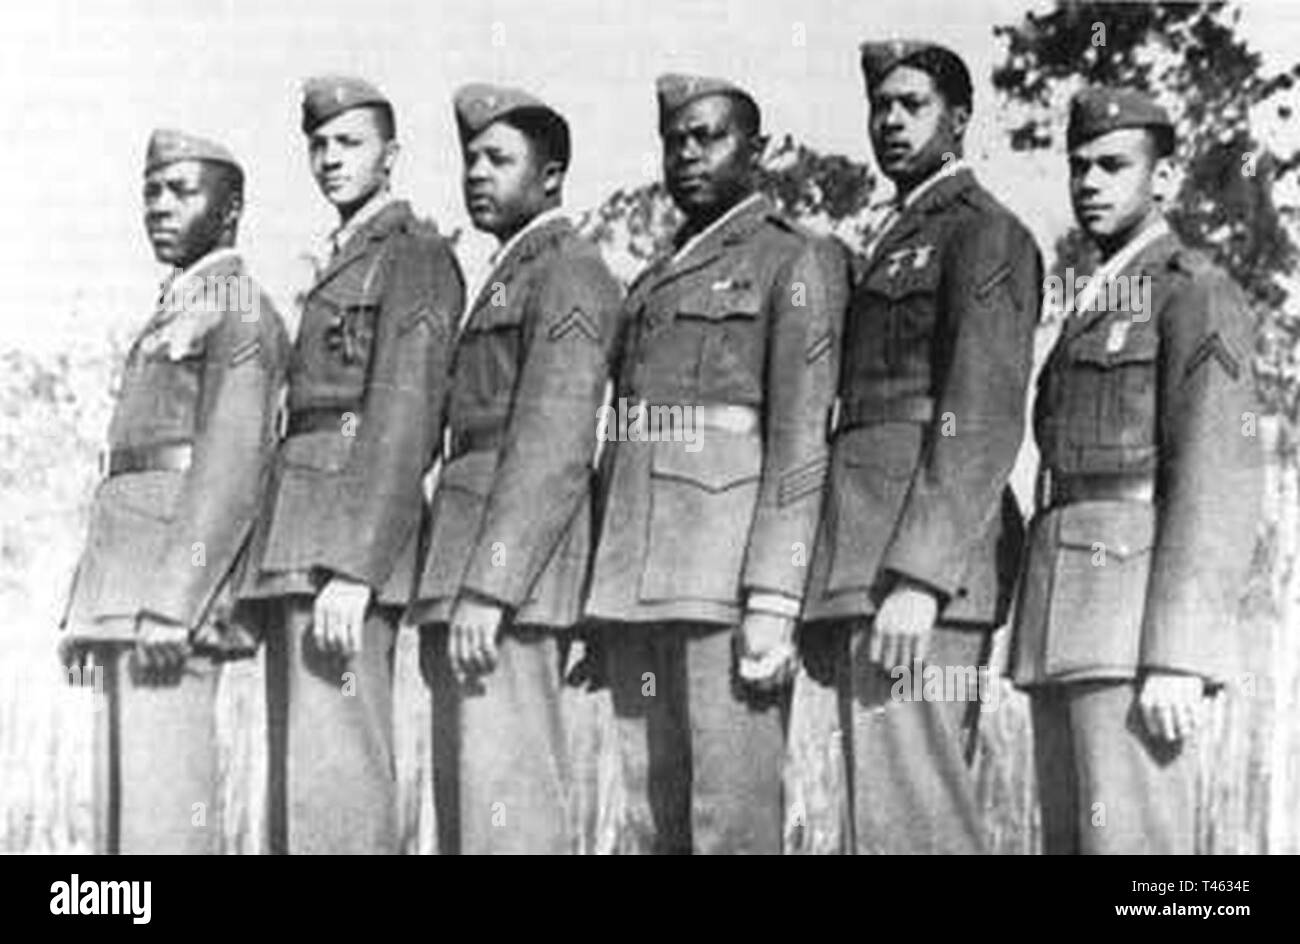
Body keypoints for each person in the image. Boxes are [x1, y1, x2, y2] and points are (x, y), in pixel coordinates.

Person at [584, 73, 850, 854]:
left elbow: (803, 437)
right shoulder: (651, 282)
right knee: (649, 813)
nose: (689, 154)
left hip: (725, 581)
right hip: (637, 583)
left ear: (755, 150)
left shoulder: (792, 260)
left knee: (729, 819)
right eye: (676, 140)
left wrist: (774, 595)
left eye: (710, 136)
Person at [797, 40, 1042, 854]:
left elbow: (980, 412)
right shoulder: (894, 237)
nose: (892, 121)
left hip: (918, 576)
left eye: (914, 105)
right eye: (882, 107)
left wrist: (920, 578)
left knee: (921, 822)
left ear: (960, 121)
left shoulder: (983, 234)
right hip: (864, 565)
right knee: (883, 823)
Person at [1009, 85, 1262, 854]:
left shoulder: (1194, 292)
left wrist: (1179, 655)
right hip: (1062, 617)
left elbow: (1217, 474)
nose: (1089, 182)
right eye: (1079, 165)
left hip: (1131, 627)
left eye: (1113, 165)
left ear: (1163, 178)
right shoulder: (1098, 295)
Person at [239, 75, 462, 854]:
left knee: (340, 782)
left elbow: (406, 418)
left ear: (391, 156)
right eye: (319, 145)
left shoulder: (416, 257)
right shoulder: (335, 260)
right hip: (295, 539)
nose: (330, 159)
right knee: (298, 784)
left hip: (343, 548)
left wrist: (357, 567)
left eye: (350, 143)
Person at [60, 128, 288, 854]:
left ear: (231, 208)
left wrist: (175, 601)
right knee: (119, 837)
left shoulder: (239, 307)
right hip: (122, 599)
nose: (160, 205)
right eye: (152, 191)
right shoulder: (173, 308)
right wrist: (85, 608)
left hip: (164, 601)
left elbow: (230, 464)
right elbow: (126, 472)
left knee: (165, 823)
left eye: (183, 190)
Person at [409, 83, 622, 855]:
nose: (476, 172)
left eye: (499, 158)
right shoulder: (507, 272)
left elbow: (555, 445)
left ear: (552, 175)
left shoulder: (567, 270)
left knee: (511, 810)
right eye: (470, 158)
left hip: (508, 584)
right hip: (464, 565)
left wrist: (492, 586)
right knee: (470, 812)